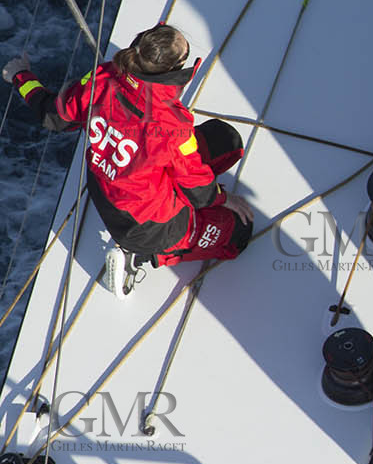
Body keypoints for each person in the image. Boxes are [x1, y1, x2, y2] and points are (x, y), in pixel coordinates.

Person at [3, 26, 254, 298]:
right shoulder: (171, 122)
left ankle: (151, 236)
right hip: (150, 226)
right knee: (238, 232)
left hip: (108, 191)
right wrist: (223, 198)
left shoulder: (103, 76)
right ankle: (149, 254)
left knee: (225, 141)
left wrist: (20, 76)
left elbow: (54, 116)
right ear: (174, 69)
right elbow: (198, 190)